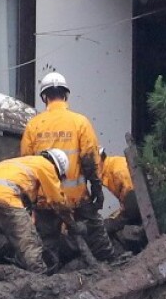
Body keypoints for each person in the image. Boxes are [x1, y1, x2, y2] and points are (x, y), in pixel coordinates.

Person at [21, 72, 114, 263]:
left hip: (46, 199)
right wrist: (96, 188)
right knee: (96, 233)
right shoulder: (80, 122)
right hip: (77, 196)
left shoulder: (33, 126)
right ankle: (112, 266)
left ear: (44, 97)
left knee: (48, 243)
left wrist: (29, 201)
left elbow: (26, 164)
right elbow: (90, 158)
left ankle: (52, 279)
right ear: (66, 95)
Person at [0, 150, 71, 274]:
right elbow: (57, 201)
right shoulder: (46, 165)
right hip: (5, 197)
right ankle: (40, 276)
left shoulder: (17, 162)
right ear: (57, 167)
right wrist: (71, 222)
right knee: (29, 244)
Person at [99, 148, 145, 252]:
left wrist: (116, 221)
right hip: (133, 203)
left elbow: (133, 201)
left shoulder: (118, 170)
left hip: (137, 204)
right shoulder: (108, 170)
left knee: (110, 227)